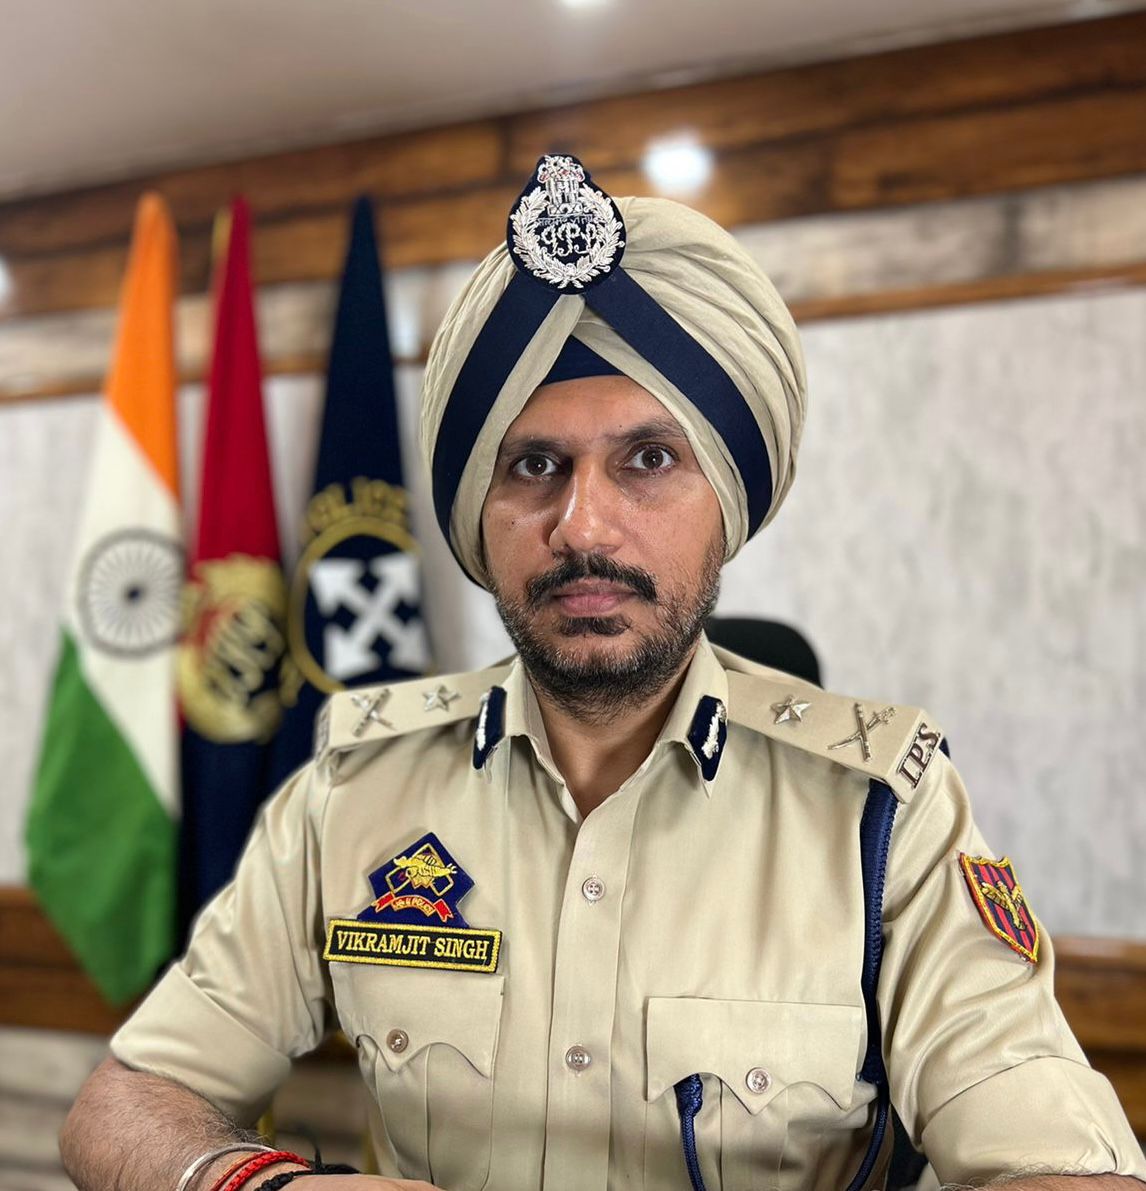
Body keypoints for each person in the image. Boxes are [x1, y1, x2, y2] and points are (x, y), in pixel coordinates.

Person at [61, 156, 1145, 1191]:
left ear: (727, 503)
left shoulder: (882, 815)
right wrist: (249, 1180)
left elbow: (1065, 1167)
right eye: (534, 464)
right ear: (481, 510)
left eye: (649, 460)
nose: (582, 525)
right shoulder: (356, 786)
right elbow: (121, 1104)